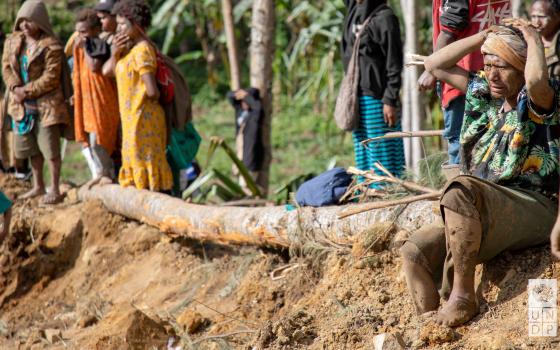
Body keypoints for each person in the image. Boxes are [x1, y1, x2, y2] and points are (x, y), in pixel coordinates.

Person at [400, 21, 560, 327]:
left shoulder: (539, 101)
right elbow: (434, 63)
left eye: (503, 66)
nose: (493, 75)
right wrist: (483, 37)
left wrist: (531, 38)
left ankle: (462, 297)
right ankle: (429, 326)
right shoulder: (485, 96)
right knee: (415, 251)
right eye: (488, 66)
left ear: (522, 67)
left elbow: (538, 77)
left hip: (534, 206)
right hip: (484, 209)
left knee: (460, 189)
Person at [418, 0, 512, 165]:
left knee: (460, 146)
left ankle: (462, 188)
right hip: (499, 75)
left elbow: (450, 28)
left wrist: (431, 69)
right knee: (494, 142)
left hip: (461, 79)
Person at [1, 0, 73, 204]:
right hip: (21, 105)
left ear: (40, 22)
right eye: (22, 21)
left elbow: (51, 77)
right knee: (31, 149)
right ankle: (38, 186)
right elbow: (6, 67)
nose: (24, 25)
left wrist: (27, 90)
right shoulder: (13, 41)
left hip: (46, 105)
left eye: (29, 21)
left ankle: (55, 188)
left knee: (50, 148)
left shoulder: (52, 47)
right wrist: (15, 88)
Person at [104, 0, 172, 192]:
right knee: (135, 163)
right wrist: (115, 53)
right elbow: (107, 71)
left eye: (123, 24)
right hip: (132, 119)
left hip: (144, 120)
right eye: (118, 24)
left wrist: (140, 98)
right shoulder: (129, 50)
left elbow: (151, 91)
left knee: (146, 166)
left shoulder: (142, 50)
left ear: (137, 24)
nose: (119, 29)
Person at [341, 0, 405, 178]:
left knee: (380, 147)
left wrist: (390, 99)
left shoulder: (385, 18)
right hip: (355, 95)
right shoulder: (354, 9)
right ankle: (368, 188)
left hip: (378, 98)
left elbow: (394, 63)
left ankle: (386, 189)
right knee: (362, 147)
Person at [73, 9, 120, 186]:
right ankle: (100, 172)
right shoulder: (86, 44)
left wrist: (85, 46)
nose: (80, 36)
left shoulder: (98, 44)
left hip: (102, 101)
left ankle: (108, 173)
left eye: (84, 32)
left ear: (94, 30)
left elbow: (93, 67)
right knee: (92, 140)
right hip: (89, 103)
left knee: (100, 138)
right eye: (78, 32)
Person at [227, 88, 264, 189]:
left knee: (245, 187)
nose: (243, 102)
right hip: (240, 156)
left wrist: (247, 97)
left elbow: (257, 106)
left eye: (246, 100)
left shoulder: (255, 115)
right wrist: (238, 93)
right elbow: (229, 96)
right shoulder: (241, 111)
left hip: (250, 159)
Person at [530, 0, 560, 80]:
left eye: (542, 17)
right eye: (533, 16)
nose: (537, 22)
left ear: (557, 16)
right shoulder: (528, 42)